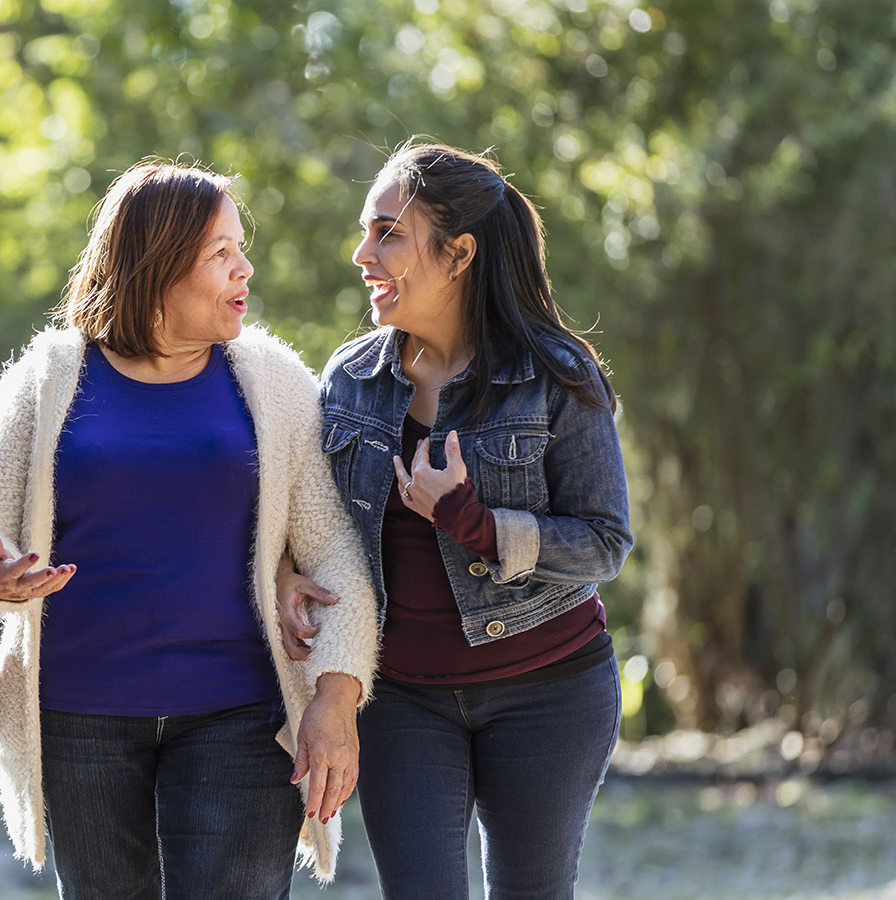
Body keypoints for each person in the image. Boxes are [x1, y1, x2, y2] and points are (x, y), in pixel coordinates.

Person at [0, 160, 378, 897]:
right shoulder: (48, 378)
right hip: (78, 716)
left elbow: (334, 549)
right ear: (158, 263)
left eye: (240, 249)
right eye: (221, 253)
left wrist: (336, 696)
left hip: (240, 713)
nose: (245, 267)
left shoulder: (270, 381)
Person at [285, 143, 633, 898]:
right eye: (366, 232)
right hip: (403, 698)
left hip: (550, 691)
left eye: (387, 233)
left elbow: (605, 543)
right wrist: (285, 571)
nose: (362, 254)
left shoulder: (557, 374)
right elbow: (316, 525)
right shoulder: (349, 378)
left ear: (459, 253)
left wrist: (475, 522)